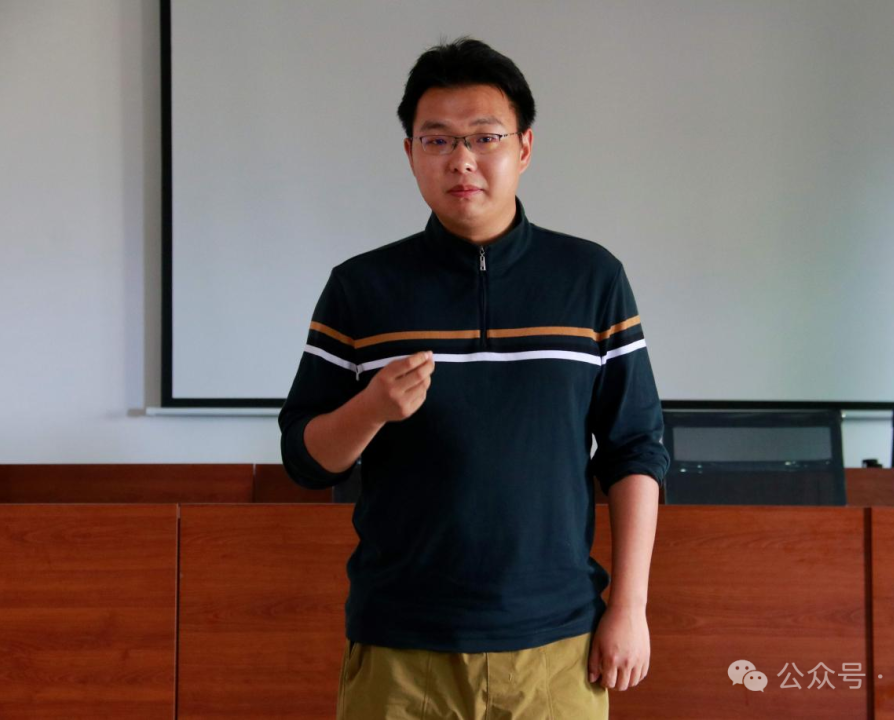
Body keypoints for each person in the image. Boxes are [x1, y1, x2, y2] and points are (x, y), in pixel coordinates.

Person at [279, 36, 670, 719]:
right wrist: (370, 408)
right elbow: (305, 460)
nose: (461, 159)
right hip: (402, 645)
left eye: (484, 137)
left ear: (524, 148)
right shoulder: (362, 288)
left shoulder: (591, 279)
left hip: (557, 644)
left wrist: (630, 608)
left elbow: (635, 449)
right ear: (410, 153)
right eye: (437, 140)